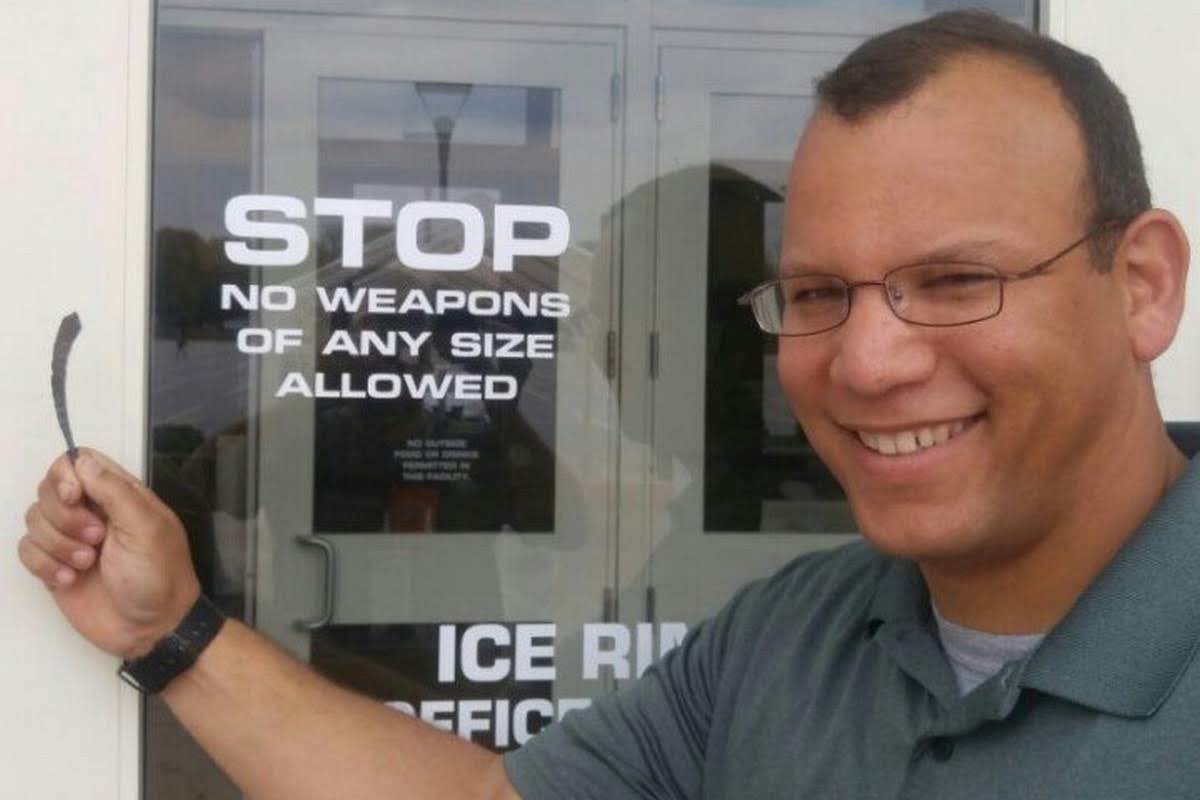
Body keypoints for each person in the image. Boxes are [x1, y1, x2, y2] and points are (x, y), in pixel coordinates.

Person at [18, 10, 1198, 798]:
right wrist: (168, 629)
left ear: (1141, 286)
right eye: (818, 292)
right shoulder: (795, 633)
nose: (871, 361)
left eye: (956, 280)